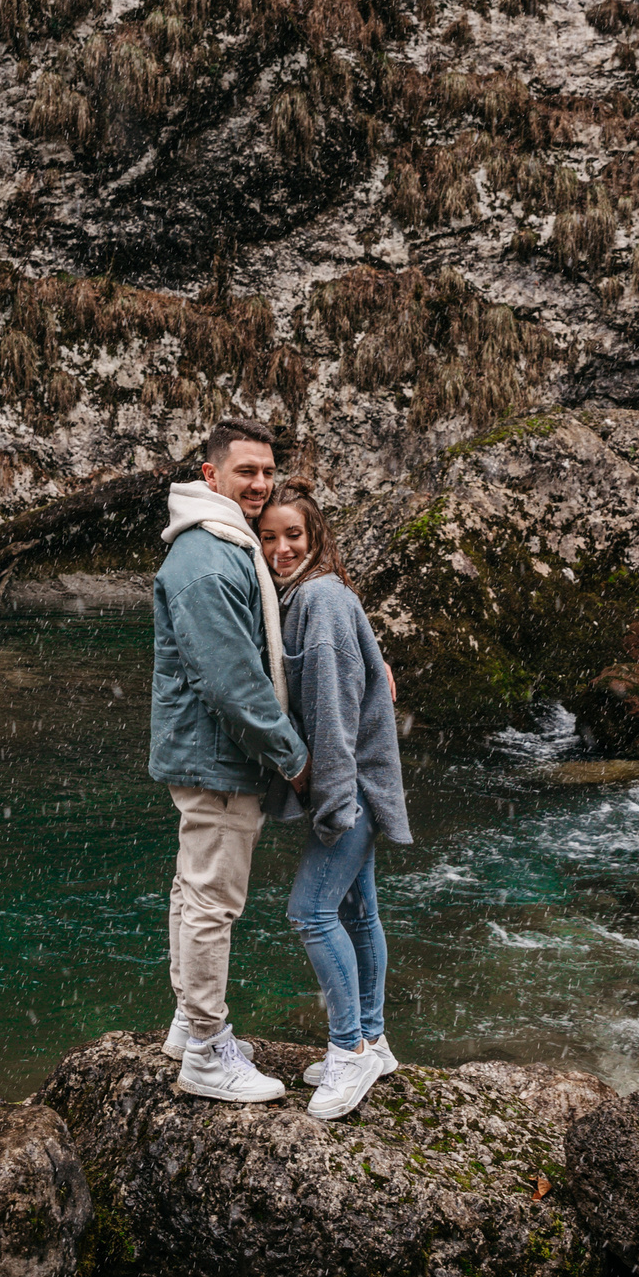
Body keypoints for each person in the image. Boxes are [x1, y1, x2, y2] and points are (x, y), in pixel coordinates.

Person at [150, 415, 309, 1103]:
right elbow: (233, 683)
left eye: (269, 471)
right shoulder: (208, 559)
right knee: (213, 902)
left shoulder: (217, 544)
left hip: (206, 754)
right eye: (247, 471)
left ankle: (191, 1025)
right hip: (219, 758)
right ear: (211, 475)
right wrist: (292, 755)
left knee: (194, 893)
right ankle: (209, 1054)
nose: (262, 483)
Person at [258, 477, 410, 1120]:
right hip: (366, 782)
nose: (281, 548)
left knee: (310, 912)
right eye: (268, 538)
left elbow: (335, 715)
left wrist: (333, 802)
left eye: (294, 535)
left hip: (351, 788)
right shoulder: (317, 597)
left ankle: (348, 1051)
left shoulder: (318, 602)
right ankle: (373, 1040)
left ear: (316, 537)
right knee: (357, 909)